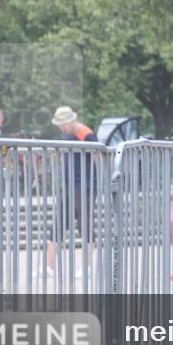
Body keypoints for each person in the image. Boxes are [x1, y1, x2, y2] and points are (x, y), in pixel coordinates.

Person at [49, 106, 98, 277]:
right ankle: (49, 267)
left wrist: (96, 184)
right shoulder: (66, 134)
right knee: (57, 223)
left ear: (70, 121)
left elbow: (98, 157)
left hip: (84, 186)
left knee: (85, 226)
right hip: (69, 185)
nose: (61, 128)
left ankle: (88, 267)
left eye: (62, 124)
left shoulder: (85, 133)